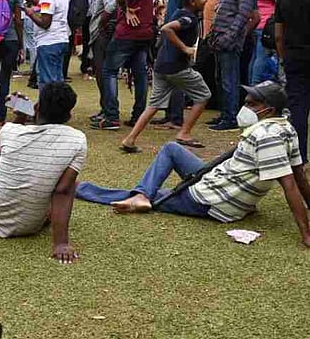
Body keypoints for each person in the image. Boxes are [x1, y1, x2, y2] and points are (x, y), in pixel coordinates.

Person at [78, 81, 310, 249]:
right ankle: (142, 194)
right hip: (219, 181)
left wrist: (306, 234)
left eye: (251, 104)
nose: (245, 107)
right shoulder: (286, 128)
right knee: (172, 149)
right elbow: (299, 174)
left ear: (268, 109)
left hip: (212, 201)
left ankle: (82, 189)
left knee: (150, 195)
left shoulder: (266, 136)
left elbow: (290, 184)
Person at [0, 82, 85, 263]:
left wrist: (20, 115)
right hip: (32, 225)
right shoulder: (78, 140)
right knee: (69, 182)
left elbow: (3, 142)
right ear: (69, 116)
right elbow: (63, 191)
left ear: (37, 107)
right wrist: (61, 244)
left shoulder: (9, 131)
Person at [119, 0, 211, 152]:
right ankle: (184, 133)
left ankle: (130, 139)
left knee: (153, 105)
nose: (206, 0)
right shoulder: (189, 18)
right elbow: (167, 29)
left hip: (162, 66)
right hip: (177, 68)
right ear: (192, 1)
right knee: (204, 95)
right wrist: (184, 48)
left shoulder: (177, 12)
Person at [93, 0, 153, 131]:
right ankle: (138, 116)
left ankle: (111, 116)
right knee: (140, 74)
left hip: (127, 32)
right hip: (145, 31)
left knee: (109, 71)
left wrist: (126, 9)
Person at [204, 0, 257, 132]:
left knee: (229, 80)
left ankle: (230, 117)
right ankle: (224, 113)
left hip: (230, 41)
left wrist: (228, 38)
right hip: (218, 38)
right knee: (220, 79)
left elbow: (242, 17)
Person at [275, 0, 310, 163]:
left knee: (298, 108)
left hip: (295, 58)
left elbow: (279, 35)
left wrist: (283, 58)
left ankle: (299, 156)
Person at [159, 0, 198, 130]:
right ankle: (169, 113)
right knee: (168, 72)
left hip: (180, 30)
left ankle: (176, 117)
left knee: (177, 74)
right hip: (170, 27)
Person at [23, 0, 69, 88]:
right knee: (58, 80)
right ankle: (58, 100)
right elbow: (52, 9)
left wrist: (30, 13)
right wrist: (38, 4)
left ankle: (48, 100)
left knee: (47, 81)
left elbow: (45, 23)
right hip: (61, 39)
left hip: (49, 42)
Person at [88, 0, 118, 123]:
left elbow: (111, 6)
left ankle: (108, 110)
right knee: (103, 73)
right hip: (103, 35)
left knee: (103, 74)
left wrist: (101, 23)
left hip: (102, 36)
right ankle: (106, 108)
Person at [249, 0, 280, 86]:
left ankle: (251, 82)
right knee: (262, 57)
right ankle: (255, 84)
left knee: (255, 57)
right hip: (266, 25)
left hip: (258, 25)